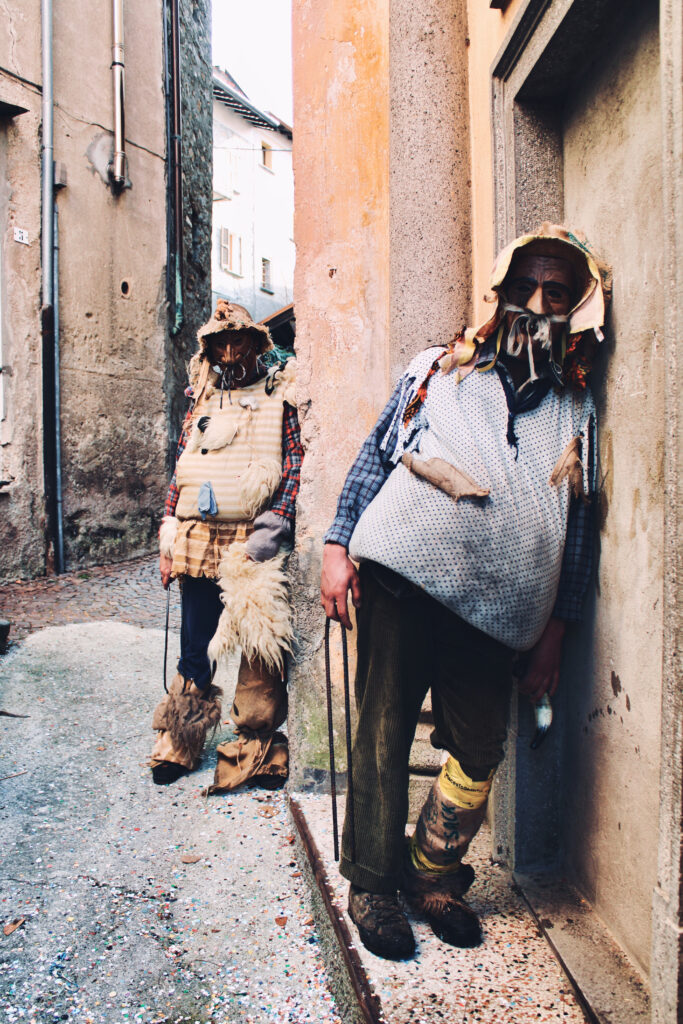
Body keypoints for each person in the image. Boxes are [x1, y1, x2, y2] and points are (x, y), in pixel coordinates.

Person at [320, 224, 610, 960]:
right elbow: (376, 455)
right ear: (500, 292)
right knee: (382, 731)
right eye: (524, 287)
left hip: (498, 609)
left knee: (478, 748)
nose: (535, 305)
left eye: (555, 293)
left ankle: (431, 874)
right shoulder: (437, 369)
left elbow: (579, 530)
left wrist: (556, 631)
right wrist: (336, 546)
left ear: (575, 309)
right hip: (400, 580)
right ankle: (371, 884)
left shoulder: (577, 410)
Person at [150, 300, 302, 792]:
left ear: (256, 343)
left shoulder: (280, 395)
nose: (230, 350)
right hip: (198, 536)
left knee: (259, 645)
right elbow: (182, 467)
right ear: (210, 349)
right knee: (197, 644)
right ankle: (179, 740)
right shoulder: (201, 398)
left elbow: (295, 463)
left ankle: (257, 751)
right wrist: (169, 539)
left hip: (252, 538)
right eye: (221, 343)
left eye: (239, 340)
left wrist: (273, 527)